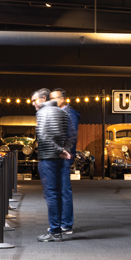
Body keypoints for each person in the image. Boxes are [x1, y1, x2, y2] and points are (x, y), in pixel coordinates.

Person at [32, 88, 72, 242]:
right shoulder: (63, 112)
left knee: (51, 195)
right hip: (60, 159)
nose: (34, 104)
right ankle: (59, 228)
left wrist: (59, 149)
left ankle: (54, 231)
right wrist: (64, 150)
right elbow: (71, 135)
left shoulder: (42, 113)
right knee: (59, 193)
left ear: (43, 98)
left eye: (35, 100)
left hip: (48, 159)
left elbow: (42, 136)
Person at [50, 88, 80, 235]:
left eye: (54, 98)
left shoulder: (70, 114)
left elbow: (72, 137)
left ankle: (67, 224)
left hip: (64, 157)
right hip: (56, 157)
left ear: (63, 99)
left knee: (64, 191)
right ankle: (60, 223)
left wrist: (64, 151)